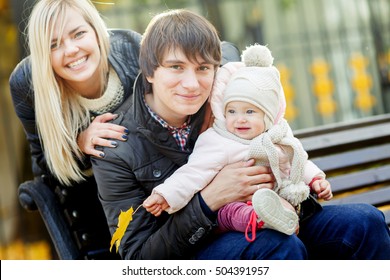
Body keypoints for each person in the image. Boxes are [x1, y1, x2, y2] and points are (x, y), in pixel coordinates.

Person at [91, 9, 390, 260]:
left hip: (274, 218)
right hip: (196, 251)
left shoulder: (227, 102)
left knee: (365, 223)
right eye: (176, 67)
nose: (192, 84)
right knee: (276, 247)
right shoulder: (115, 147)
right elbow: (139, 257)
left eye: (203, 68)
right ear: (150, 71)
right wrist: (207, 201)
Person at [142, 44, 333, 241]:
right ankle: (258, 219)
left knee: (291, 208)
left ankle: (282, 218)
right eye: (232, 111)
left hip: (275, 196)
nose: (239, 119)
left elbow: (297, 159)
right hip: (232, 208)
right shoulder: (219, 140)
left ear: (267, 116)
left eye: (250, 112)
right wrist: (166, 195)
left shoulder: (278, 135)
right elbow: (193, 173)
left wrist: (316, 179)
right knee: (232, 212)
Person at [9, 0, 141, 187]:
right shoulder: (26, 84)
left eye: (78, 34)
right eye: (53, 45)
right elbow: (44, 166)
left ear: (95, 30)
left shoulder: (132, 49)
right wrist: (79, 145)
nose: (71, 50)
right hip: (91, 195)